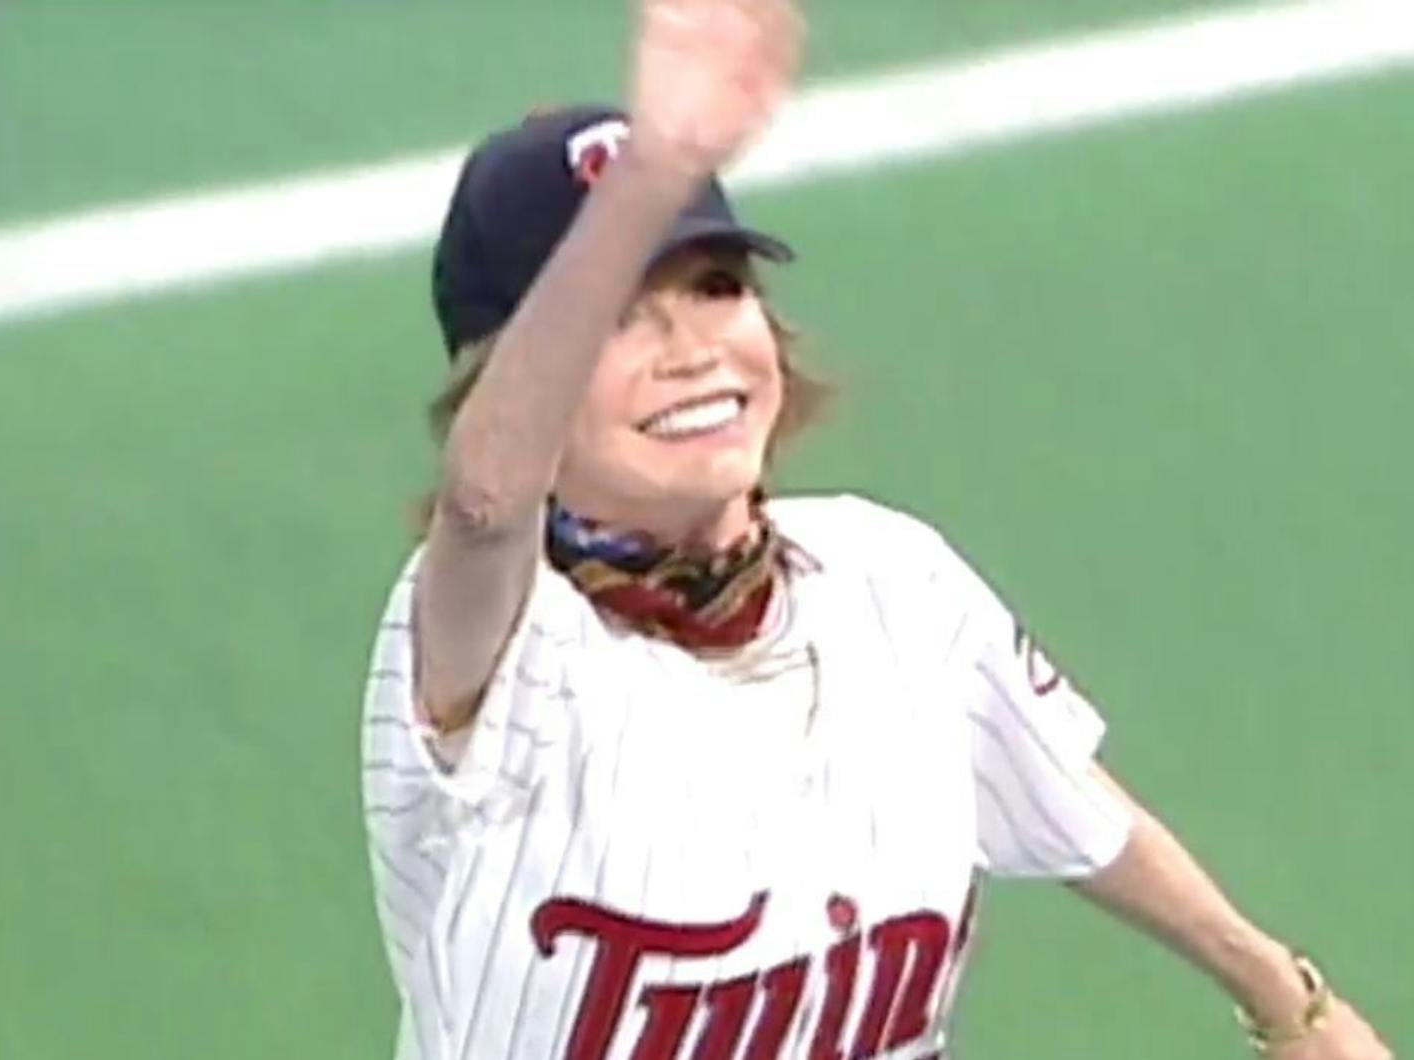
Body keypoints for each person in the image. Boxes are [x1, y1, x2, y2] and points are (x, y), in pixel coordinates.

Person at [359, 1, 1394, 1058]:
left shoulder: (888, 581)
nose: (691, 348)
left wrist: (1282, 996)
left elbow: (1069, 803)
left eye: (716, 288)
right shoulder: (496, 648)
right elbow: (486, 508)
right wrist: (651, 177)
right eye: (620, 314)